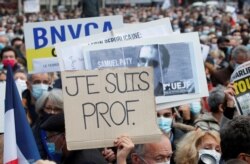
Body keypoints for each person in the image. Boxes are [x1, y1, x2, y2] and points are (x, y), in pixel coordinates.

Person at [32, 89, 64, 160]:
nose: (52, 112)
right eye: (48, 108)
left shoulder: (69, 131)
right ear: (42, 109)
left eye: (57, 109)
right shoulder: (36, 130)